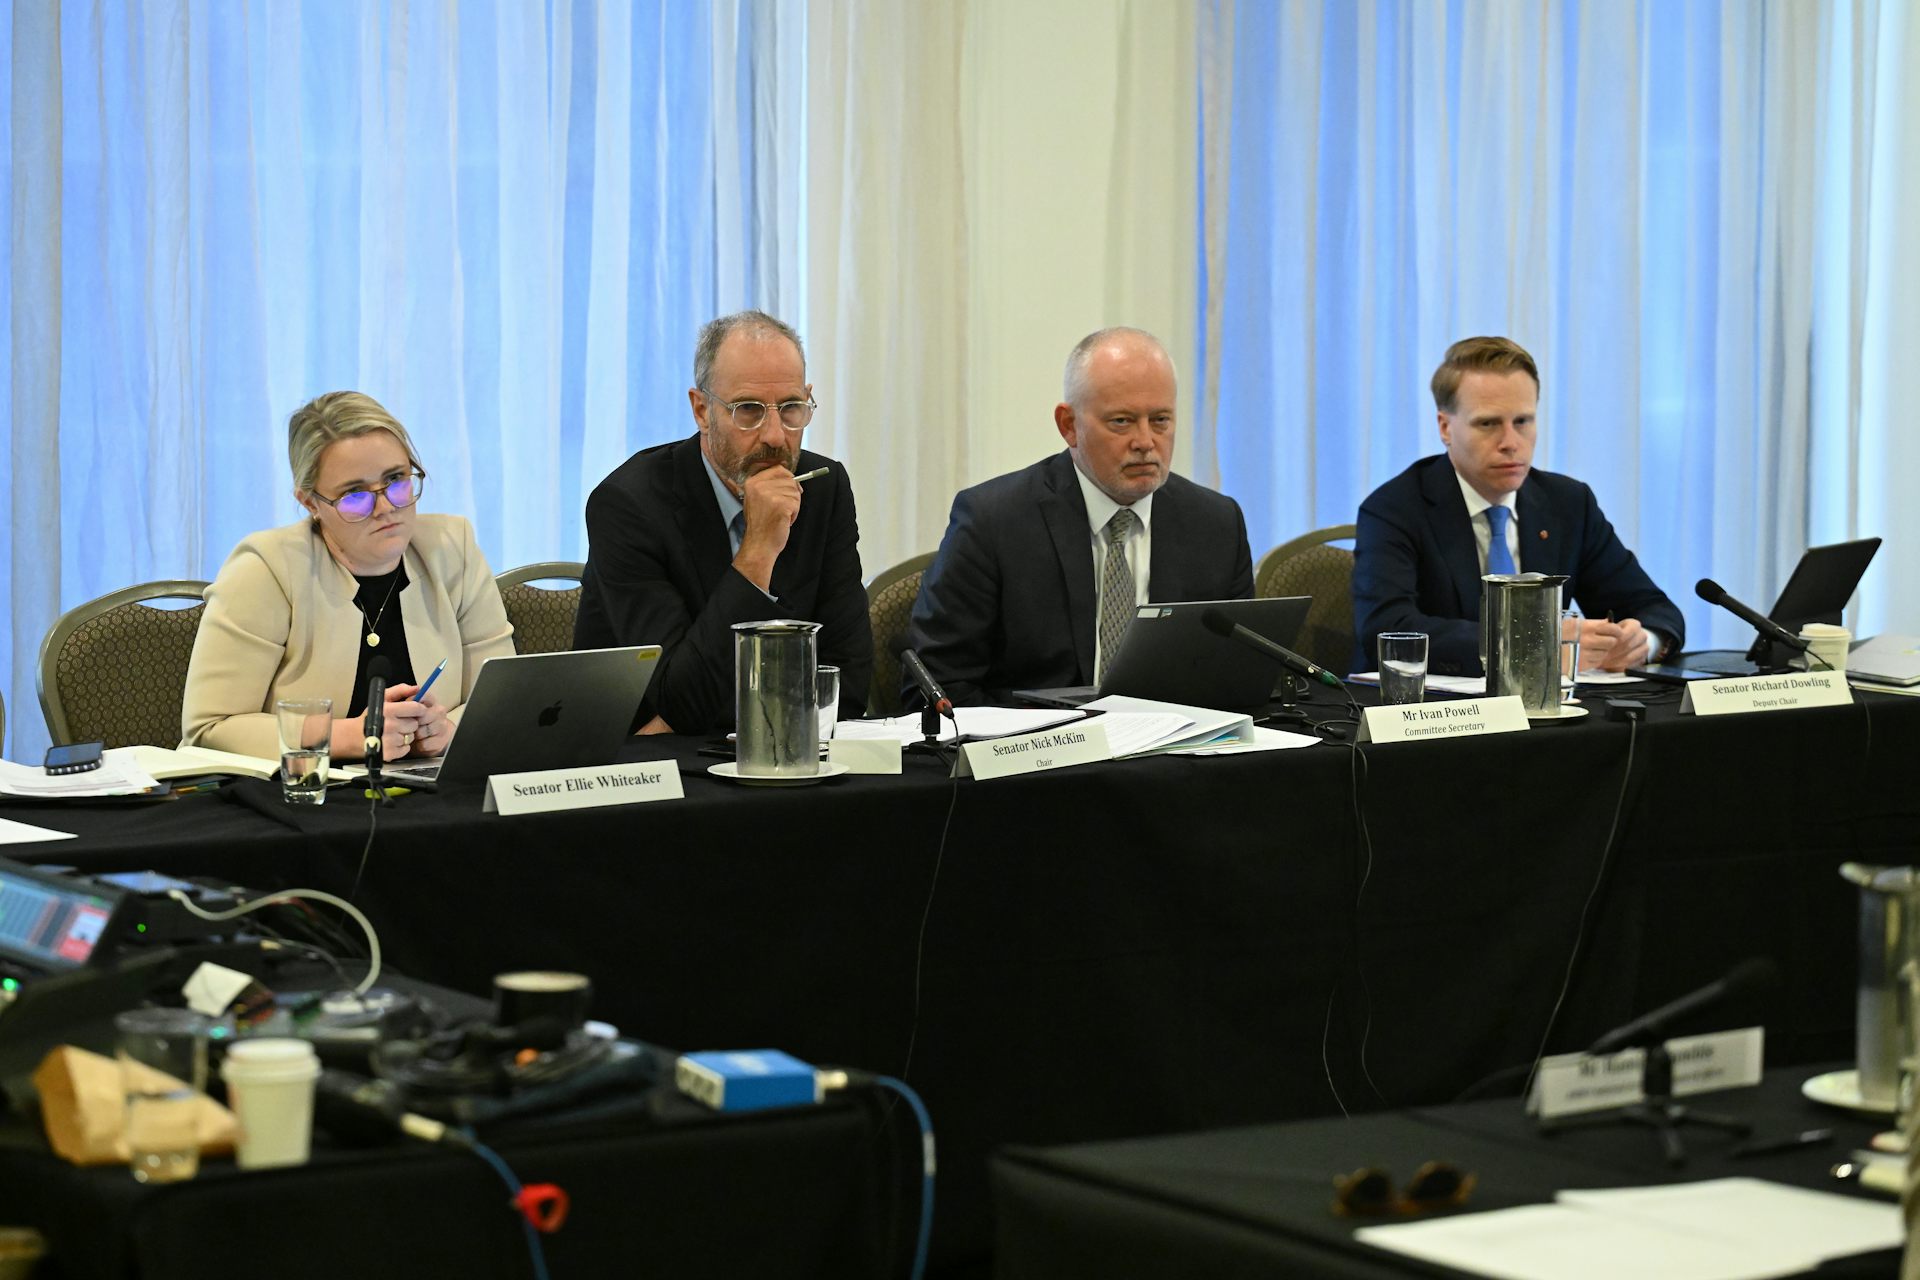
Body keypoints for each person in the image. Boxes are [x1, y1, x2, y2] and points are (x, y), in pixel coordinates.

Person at [904, 326, 1253, 707]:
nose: (1145, 441)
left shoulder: (1217, 524)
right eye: (1121, 421)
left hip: (1174, 754)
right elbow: (937, 686)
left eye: (1160, 420)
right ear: (1069, 425)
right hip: (1041, 755)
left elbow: (1237, 677)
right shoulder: (993, 522)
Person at [572, 310, 872, 734]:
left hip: (787, 760)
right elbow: (683, 700)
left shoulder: (825, 489)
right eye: (748, 410)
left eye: (791, 409)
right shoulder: (628, 505)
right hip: (652, 778)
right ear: (701, 410)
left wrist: (711, 717)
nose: (774, 435)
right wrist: (758, 551)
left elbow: (848, 684)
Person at [182, 392, 516, 760]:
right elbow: (211, 728)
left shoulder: (454, 549)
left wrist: (448, 731)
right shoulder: (267, 568)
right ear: (311, 503)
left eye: (396, 480)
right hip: (302, 795)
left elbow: (500, 700)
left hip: (423, 792)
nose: (387, 507)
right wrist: (350, 736)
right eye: (355, 495)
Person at [1352, 336, 1685, 676]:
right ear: (1445, 427)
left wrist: (1641, 642)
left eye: (1523, 422)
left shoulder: (1568, 503)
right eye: (1488, 424)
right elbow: (1386, 629)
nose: (1511, 443)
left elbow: (1655, 609)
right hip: (1435, 716)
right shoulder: (1395, 509)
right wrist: (1532, 642)